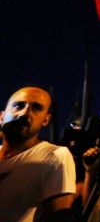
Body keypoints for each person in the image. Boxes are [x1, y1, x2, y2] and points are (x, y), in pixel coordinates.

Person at [0, 86, 76, 222]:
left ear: (46, 120)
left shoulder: (55, 156)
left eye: (36, 108)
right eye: (18, 106)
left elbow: (59, 216)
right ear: (2, 116)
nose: (24, 113)